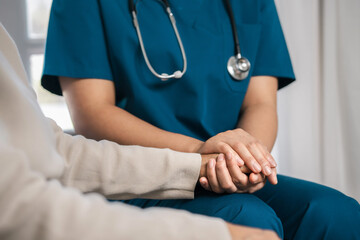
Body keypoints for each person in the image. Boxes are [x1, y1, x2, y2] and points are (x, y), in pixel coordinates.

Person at [41, 0, 360, 239]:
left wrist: (247, 162)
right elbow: (93, 115)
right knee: (246, 218)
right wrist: (201, 155)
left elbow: (261, 102)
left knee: (336, 214)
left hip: (228, 171)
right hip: (138, 178)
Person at [0, 23, 283, 240]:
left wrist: (229, 162)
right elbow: (16, 207)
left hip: (201, 166)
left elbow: (56, 149)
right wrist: (220, 234)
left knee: (324, 212)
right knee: (247, 217)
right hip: (138, 179)